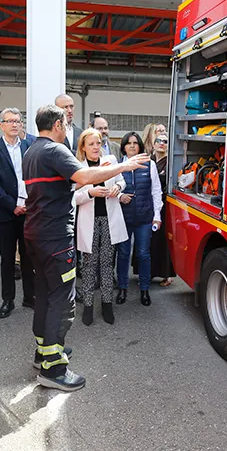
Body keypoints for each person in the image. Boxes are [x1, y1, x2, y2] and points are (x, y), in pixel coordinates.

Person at [23, 104, 150, 392]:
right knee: (62, 300)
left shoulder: (32, 151)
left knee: (44, 294)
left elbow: (71, 178)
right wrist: (123, 166)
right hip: (55, 238)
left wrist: (105, 168)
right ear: (57, 125)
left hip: (37, 235)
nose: (67, 125)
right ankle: (53, 369)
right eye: (65, 122)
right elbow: (83, 177)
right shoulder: (54, 150)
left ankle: (44, 352)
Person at [0, 108, 35, 319]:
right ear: (1, 125)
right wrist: (13, 205)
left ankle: (30, 297)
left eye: (18, 121)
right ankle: (8, 299)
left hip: (29, 212)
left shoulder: (29, 147)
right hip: (6, 213)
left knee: (29, 256)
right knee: (7, 260)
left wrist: (30, 204)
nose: (14, 124)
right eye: (9, 121)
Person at [74, 129, 127, 326]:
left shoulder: (111, 161)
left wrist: (118, 188)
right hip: (89, 222)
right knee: (88, 266)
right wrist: (91, 192)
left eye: (98, 143)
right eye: (91, 144)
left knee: (106, 265)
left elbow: (122, 180)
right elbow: (73, 197)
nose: (96, 147)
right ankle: (88, 305)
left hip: (108, 220)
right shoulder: (78, 167)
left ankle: (107, 304)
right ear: (83, 147)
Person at [116, 132, 163, 306]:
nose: (132, 146)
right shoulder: (118, 165)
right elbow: (109, 188)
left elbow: (156, 191)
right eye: (129, 143)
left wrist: (157, 216)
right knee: (123, 254)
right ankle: (122, 289)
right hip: (123, 219)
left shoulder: (149, 165)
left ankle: (144, 290)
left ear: (140, 146)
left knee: (143, 254)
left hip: (145, 218)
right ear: (124, 147)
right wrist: (120, 195)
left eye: (136, 143)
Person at [150, 133, 173, 286]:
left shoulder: (170, 163)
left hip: (164, 205)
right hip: (149, 204)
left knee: (163, 240)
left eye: (165, 141)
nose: (161, 144)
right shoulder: (149, 161)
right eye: (159, 141)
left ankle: (167, 275)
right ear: (153, 143)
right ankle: (150, 272)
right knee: (150, 240)